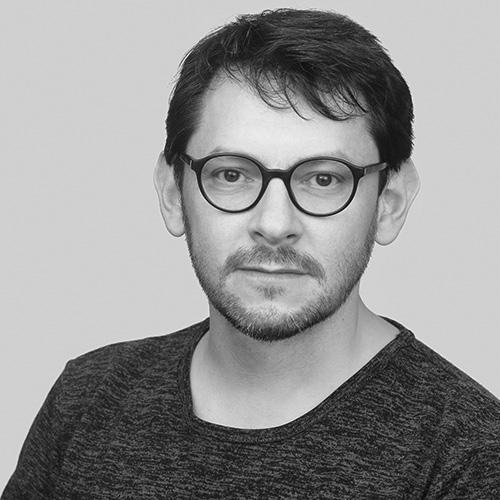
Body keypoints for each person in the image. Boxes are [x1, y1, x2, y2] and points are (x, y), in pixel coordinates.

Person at [3, 8, 499, 499]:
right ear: (173, 194)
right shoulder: (86, 397)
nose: (275, 225)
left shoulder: (471, 456)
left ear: (389, 202)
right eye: (232, 174)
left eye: (323, 179)